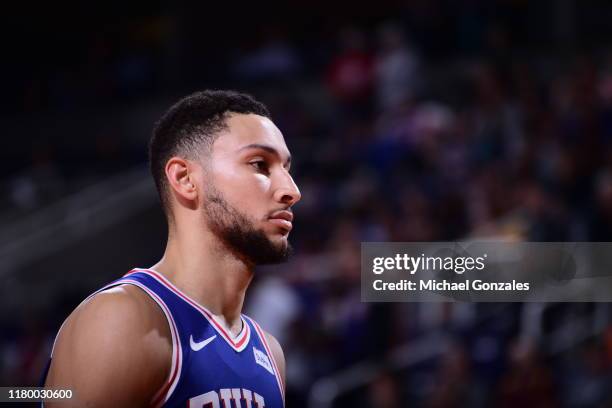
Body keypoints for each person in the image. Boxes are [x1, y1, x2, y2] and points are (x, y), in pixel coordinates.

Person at [42, 90, 301, 407]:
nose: (291, 191)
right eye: (260, 164)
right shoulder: (124, 320)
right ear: (185, 179)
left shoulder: (270, 354)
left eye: (287, 169)